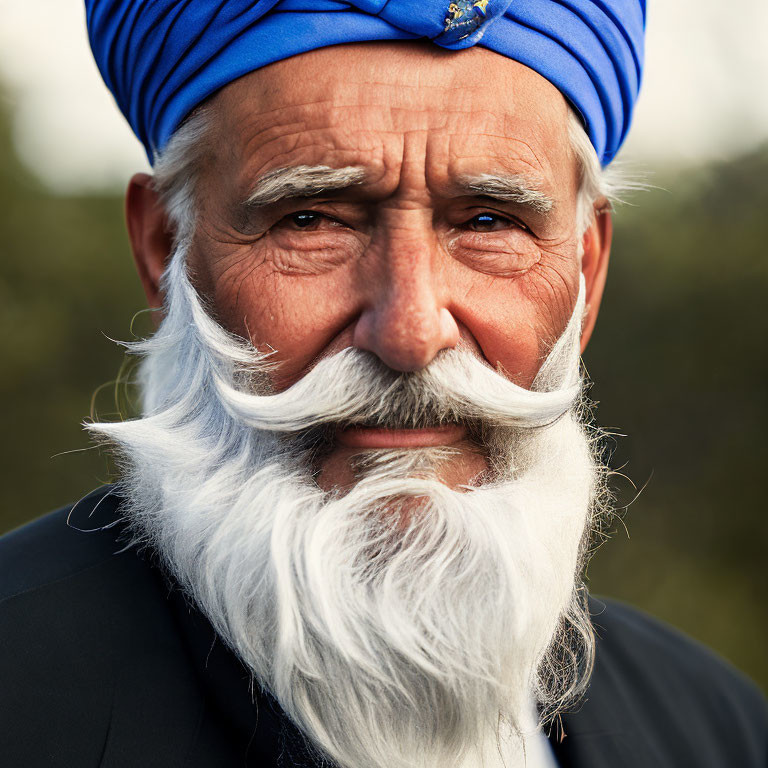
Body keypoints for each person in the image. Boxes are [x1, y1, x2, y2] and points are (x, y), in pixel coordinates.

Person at [1, 1, 765, 766]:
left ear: (587, 274)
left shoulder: (715, 728)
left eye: (489, 222)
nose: (409, 334)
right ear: (167, 250)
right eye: (311, 218)